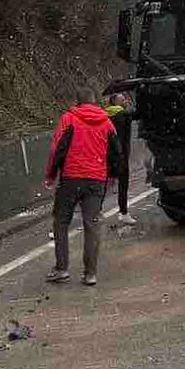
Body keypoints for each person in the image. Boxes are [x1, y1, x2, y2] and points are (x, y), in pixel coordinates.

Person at [44, 89, 122, 286]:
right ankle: (90, 274)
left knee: (61, 222)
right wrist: (112, 176)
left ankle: (62, 269)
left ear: (77, 102)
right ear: (95, 102)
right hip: (96, 180)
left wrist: (51, 175)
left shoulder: (69, 119)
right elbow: (116, 152)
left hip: (71, 179)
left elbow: (57, 149)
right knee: (92, 225)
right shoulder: (107, 122)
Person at [104, 92, 136, 224]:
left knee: (103, 185)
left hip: (107, 154)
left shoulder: (105, 115)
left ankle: (96, 212)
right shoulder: (124, 114)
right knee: (123, 184)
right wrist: (129, 106)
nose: (125, 101)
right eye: (122, 100)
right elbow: (135, 113)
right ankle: (124, 212)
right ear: (116, 102)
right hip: (121, 154)